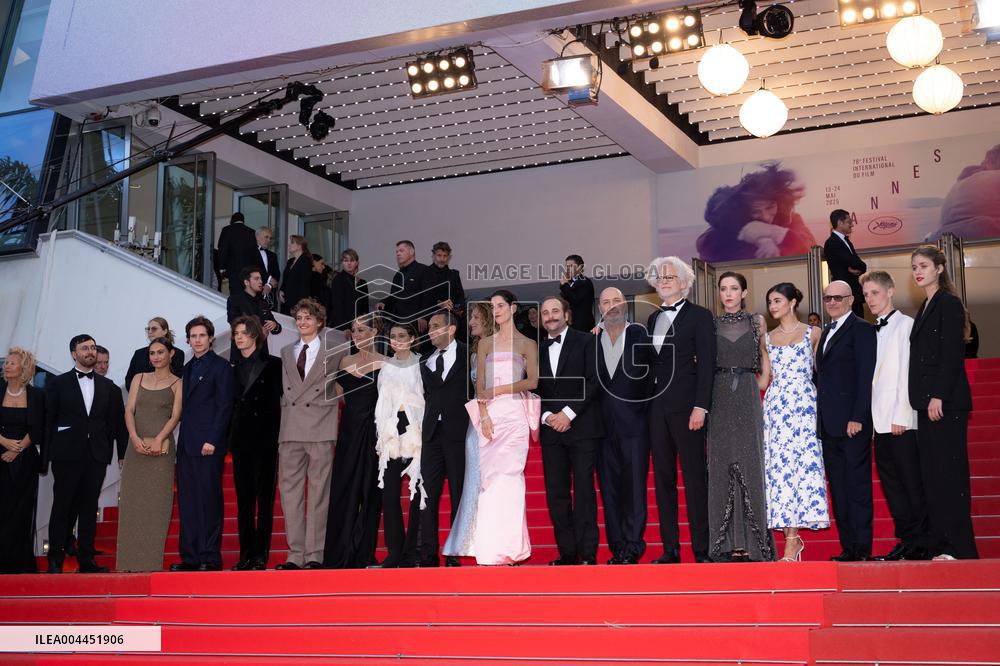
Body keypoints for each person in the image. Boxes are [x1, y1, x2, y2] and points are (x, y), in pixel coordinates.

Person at [909, 245, 977, 560]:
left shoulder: (948, 303)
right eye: (914, 267)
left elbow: (952, 354)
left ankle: (958, 547)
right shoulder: (926, 305)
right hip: (927, 403)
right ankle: (942, 545)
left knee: (950, 476)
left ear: (939, 268)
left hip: (945, 403)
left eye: (923, 265)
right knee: (934, 477)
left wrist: (938, 394)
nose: (918, 271)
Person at [645, 256, 715, 564]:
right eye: (660, 278)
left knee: (695, 478)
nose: (663, 282)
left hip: (688, 408)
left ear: (684, 283)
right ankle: (670, 548)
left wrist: (701, 406)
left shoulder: (700, 316)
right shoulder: (652, 318)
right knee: (663, 480)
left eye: (669, 278)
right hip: (656, 409)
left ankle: (702, 548)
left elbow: (707, 365)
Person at [707, 273, 775, 563]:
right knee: (721, 465)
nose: (728, 294)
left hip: (747, 394)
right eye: (723, 289)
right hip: (719, 395)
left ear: (744, 292)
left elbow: (764, 356)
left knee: (750, 463)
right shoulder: (710, 324)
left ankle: (754, 543)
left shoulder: (756, 322)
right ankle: (726, 545)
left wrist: (759, 386)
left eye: (734, 288)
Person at [44, 334, 127, 573]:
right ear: (74, 354)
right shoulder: (58, 383)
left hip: (96, 455)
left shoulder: (109, 387)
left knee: (90, 508)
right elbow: (49, 419)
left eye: (92, 347)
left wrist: (121, 453)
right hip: (66, 454)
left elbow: (117, 424)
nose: (90, 351)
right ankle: (55, 559)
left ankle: (86, 560)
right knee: (62, 506)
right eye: (84, 348)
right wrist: (46, 455)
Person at [470, 290, 539, 565]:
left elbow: (532, 381)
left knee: (509, 478)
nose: (496, 310)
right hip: (491, 416)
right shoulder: (485, 344)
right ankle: (490, 549)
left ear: (513, 308)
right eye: (492, 306)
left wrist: (497, 390)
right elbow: (479, 387)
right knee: (489, 481)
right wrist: (484, 414)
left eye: (500, 305)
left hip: (514, 416)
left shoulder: (527, 344)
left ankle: (510, 549)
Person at [861, 271, 927, 561]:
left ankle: (922, 542)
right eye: (865, 295)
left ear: (890, 292)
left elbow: (907, 373)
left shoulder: (905, 325)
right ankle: (908, 541)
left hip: (900, 421)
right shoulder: (872, 330)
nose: (870, 299)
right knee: (893, 487)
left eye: (874, 293)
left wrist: (902, 414)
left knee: (911, 484)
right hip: (880, 423)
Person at [763, 283, 829, 561]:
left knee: (802, 469)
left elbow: (822, 373)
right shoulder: (765, 338)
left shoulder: (813, 333)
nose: (773, 306)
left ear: (792, 302)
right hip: (776, 408)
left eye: (777, 300)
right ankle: (792, 539)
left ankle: (793, 541)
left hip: (804, 407)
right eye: (770, 302)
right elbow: (765, 380)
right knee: (780, 472)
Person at [275, 299, 344, 570]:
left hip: (321, 427)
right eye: (299, 318)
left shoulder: (335, 350)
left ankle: (315, 554)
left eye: (308, 318)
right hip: (291, 428)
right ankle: (295, 554)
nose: (303, 322)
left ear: (319, 321)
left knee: (318, 494)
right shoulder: (285, 351)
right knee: (290, 495)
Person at [537, 296, 603, 566]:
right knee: (556, 493)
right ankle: (567, 552)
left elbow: (594, 381)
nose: (550, 316)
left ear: (567, 314)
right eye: (545, 313)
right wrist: (547, 416)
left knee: (585, 491)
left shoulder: (587, 341)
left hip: (582, 427)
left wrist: (568, 413)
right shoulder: (536, 350)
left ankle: (587, 554)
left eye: (555, 311)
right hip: (551, 431)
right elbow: (531, 390)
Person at [817, 280, 877, 561]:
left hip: (853, 424)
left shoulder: (863, 330)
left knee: (857, 488)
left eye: (838, 298)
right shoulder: (827, 331)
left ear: (851, 300)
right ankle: (848, 547)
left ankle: (862, 548)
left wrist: (858, 416)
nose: (832, 302)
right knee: (839, 490)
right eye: (828, 298)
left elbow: (866, 377)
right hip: (829, 426)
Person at [170, 317, 234, 572]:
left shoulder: (221, 367)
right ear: (188, 340)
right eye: (193, 336)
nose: (197, 340)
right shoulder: (186, 368)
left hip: (208, 444)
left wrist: (213, 440)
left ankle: (210, 556)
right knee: (187, 502)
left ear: (210, 338)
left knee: (208, 500)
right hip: (186, 444)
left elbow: (225, 406)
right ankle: (190, 557)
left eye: (201, 336)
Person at [595, 288, 652, 565]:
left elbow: (654, 376)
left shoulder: (641, 335)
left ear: (625, 305)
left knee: (635, 489)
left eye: (616, 301)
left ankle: (633, 545)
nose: (612, 306)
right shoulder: (590, 339)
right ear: (599, 307)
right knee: (609, 490)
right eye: (606, 302)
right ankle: (617, 546)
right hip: (601, 429)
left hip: (635, 425)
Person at [116, 337, 182, 572]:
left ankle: (150, 563)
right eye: (152, 353)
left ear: (171, 354)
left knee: (156, 505)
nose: (155, 357)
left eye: (160, 352)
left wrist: (159, 439)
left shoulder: (177, 383)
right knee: (132, 503)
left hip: (161, 449)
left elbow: (175, 416)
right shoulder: (138, 378)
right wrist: (133, 438)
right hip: (135, 448)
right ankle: (126, 563)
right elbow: (129, 410)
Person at [324, 313, 382, 569]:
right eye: (353, 331)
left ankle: (363, 552)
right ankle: (340, 551)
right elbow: (333, 396)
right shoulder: (344, 361)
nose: (356, 336)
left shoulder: (387, 364)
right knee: (344, 490)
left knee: (370, 493)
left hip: (374, 435)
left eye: (361, 331)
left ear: (374, 332)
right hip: (348, 432)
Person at [443, 301, 495, 559]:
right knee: (473, 480)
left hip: (497, 422)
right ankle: (468, 540)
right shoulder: (473, 353)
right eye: (471, 317)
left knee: (493, 484)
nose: (471, 322)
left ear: (487, 319)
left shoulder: (500, 348)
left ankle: (494, 539)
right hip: (475, 425)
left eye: (476, 317)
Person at [230, 316, 283, 570]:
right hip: (241, 443)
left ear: (255, 335)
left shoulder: (274, 365)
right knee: (244, 501)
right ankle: (245, 555)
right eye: (236, 333)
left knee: (264, 500)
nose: (239, 337)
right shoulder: (233, 368)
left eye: (243, 332)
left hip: (266, 441)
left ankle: (261, 555)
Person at [419, 310, 470, 567]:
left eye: (436, 326)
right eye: (429, 327)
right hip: (431, 435)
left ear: (451, 329)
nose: (430, 331)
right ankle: (427, 553)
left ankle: (453, 552)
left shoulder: (468, 354)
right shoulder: (424, 360)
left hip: (459, 432)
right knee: (427, 494)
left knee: (458, 492)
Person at [374, 322, 424, 568]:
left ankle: (413, 551)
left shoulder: (421, 363)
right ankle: (394, 552)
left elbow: (425, 396)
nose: (396, 340)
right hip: (391, 430)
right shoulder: (386, 366)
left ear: (413, 338)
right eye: (392, 336)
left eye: (402, 336)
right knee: (390, 492)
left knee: (417, 491)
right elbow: (381, 399)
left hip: (416, 427)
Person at [697, 162, 815, 261]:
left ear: (779, 202)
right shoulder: (734, 220)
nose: (765, 216)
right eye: (756, 211)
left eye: (770, 207)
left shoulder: (791, 218)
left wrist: (773, 232)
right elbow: (706, 246)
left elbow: (810, 250)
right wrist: (761, 240)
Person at [0, 348, 44, 574]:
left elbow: (37, 427)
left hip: (25, 460)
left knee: (22, 511)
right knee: (3, 509)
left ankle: (20, 563)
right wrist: (5, 443)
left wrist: (18, 449)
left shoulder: (36, 395)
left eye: (12, 363)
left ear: (23, 368)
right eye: (6, 363)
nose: (7, 366)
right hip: (1, 455)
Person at [227, 266, 281, 357]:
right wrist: (258, 330)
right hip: (241, 355)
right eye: (256, 278)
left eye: (260, 278)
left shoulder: (263, 303)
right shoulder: (234, 300)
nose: (260, 281)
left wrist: (274, 325)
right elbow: (233, 321)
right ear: (246, 282)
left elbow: (277, 329)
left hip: (261, 356)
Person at [381, 240, 433, 334]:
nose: (398, 254)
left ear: (412, 252)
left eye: (401, 251)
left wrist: (424, 317)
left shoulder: (424, 270)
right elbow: (393, 296)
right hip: (397, 322)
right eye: (397, 252)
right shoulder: (397, 275)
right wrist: (383, 302)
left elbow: (428, 296)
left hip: (416, 323)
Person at [824, 209, 867, 317]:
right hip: (844, 295)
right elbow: (853, 262)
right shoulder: (832, 242)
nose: (852, 225)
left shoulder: (846, 241)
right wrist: (857, 266)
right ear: (840, 223)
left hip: (853, 294)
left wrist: (858, 268)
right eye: (849, 222)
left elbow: (862, 266)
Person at [125, 317, 185, 390]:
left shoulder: (178, 354)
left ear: (165, 331)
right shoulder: (139, 354)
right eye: (148, 329)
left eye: (154, 329)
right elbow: (129, 379)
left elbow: (175, 380)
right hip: (140, 398)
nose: (150, 332)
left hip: (165, 398)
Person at [328, 248, 370, 336]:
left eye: (352, 260)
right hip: (342, 327)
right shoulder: (338, 279)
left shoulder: (363, 283)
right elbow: (337, 305)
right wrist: (344, 327)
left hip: (359, 327)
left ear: (357, 263)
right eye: (345, 260)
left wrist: (365, 326)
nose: (349, 263)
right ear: (342, 263)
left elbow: (365, 309)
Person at [217, 212, 260, 294]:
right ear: (243, 220)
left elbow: (222, 249)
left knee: (235, 294)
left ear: (232, 220)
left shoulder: (227, 230)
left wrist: (222, 268)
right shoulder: (251, 232)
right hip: (247, 272)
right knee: (246, 294)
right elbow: (254, 253)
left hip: (233, 270)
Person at [426, 241, 466, 321]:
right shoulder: (425, 273)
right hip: (433, 315)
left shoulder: (454, 274)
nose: (442, 259)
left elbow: (461, 296)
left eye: (445, 256)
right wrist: (440, 304)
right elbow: (425, 298)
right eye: (439, 255)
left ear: (448, 257)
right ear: (433, 256)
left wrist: (457, 307)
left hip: (452, 314)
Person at [559, 254, 596, 332]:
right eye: (567, 266)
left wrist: (564, 285)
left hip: (583, 326)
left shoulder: (585, 282)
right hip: (571, 325)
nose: (568, 269)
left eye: (571, 266)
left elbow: (575, 300)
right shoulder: (569, 283)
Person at [279, 235, 314, 316]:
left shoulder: (305, 261)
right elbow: (286, 279)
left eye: (292, 243)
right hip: (286, 301)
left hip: (297, 302)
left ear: (299, 246)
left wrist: (301, 304)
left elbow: (304, 284)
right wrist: (281, 290)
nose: (289, 245)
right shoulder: (290, 261)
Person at [253, 227, 281, 305]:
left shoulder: (273, 255)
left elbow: (277, 274)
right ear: (257, 237)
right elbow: (251, 271)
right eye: (266, 237)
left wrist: (269, 285)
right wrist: (268, 280)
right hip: (253, 293)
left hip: (269, 295)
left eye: (270, 238)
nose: (269, 240)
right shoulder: (249, 253)